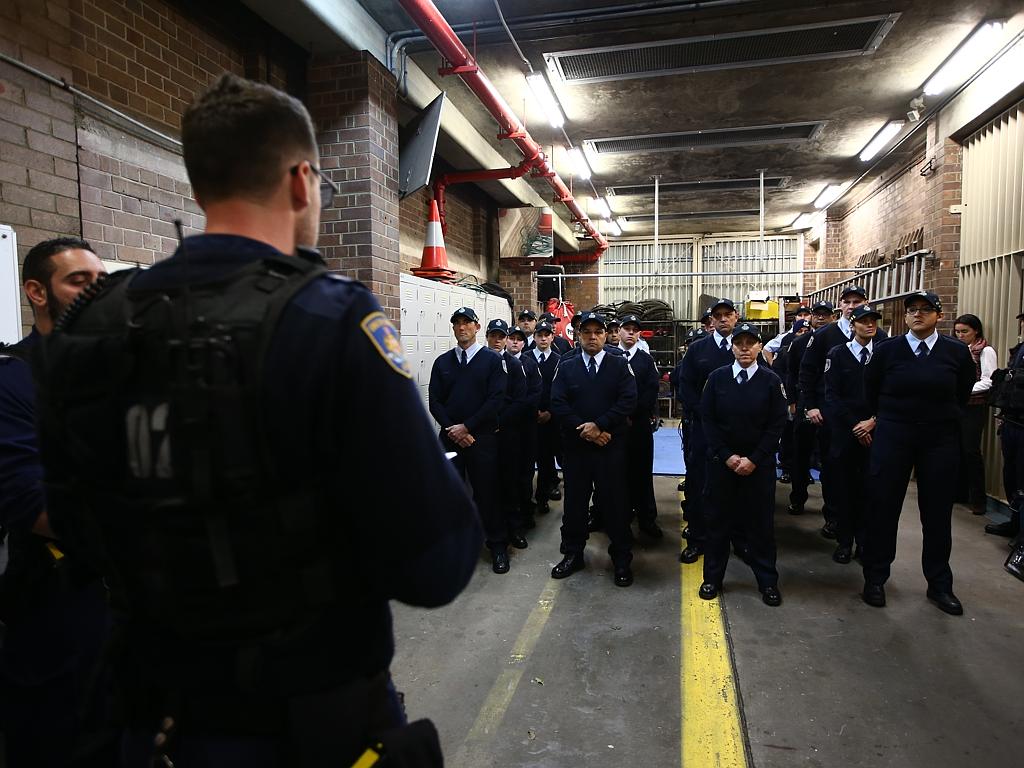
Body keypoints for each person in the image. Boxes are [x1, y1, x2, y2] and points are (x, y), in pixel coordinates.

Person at [36, 74, 482, 766]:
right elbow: (436, 565)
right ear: (302, 180)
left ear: (200, 181)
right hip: (307, 723)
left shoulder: (99, 320)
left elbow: (72, 522)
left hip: (146, 718)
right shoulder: (331, 319)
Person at [0, 237, 115, 767]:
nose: (97, 292)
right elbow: (33, 506)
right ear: (36, 292)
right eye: (78, 281)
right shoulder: (12, 380)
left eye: (101, 281)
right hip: (59, 612)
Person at [861, 291, 975, 615]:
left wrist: (939, 417)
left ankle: (939, 584)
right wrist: (888, 418)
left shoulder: (955, 352)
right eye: (912, 310)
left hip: (939, 438)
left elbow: (963, 391)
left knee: (937, 513)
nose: (917, 315)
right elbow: (871, 389)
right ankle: (875, 579)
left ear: (939, 315)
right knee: (883, 508)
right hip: (894, 434)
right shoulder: (887, 351)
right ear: (906, 316)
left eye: (926, 310)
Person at [697, 323, 787, 606]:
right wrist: (727, 455)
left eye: (751, 343)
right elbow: (707, 420)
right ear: (732, 347)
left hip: (757, 468)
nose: (745, 348)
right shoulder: (717, 378)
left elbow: (776, 425)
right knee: (717, 524)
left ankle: (767, 581)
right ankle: (712, 578)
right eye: (740, 343)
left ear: (760, 347)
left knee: (760, 526)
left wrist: (755, 459)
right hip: (722, 465)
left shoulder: (771, 381)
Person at [549, 312, 638, 586]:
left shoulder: (619, 365)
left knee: (615, 505)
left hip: (610, 446)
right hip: (577, 449)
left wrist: (600, 425)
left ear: (605, 335)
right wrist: (586, 430)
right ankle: (573, 554)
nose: (592, 336)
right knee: (575, 504)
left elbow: (628, 400)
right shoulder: (566, 366)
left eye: (597, 332)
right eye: (586, 332)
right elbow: (558, 403)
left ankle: (621, 559)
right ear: (578, 335)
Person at [797, 286, 889, 538]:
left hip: (872, 423)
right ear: (840, 305)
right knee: (835, 470)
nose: (851, 305)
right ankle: (835, 519)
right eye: (847, 301)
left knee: (870, 476)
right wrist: (810, 404)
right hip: (833, 416)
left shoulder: (881, 339)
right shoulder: (826, 336)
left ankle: (865, 528)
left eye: (856, 301)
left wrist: (874, 419)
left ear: (866, 303)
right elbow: (807, 371)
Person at [433, 308, 507, 570]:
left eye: (467, 323)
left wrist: (468, 427)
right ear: (453, 328)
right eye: (457, 323)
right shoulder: (442, 362)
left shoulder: (492, 361)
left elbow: (495, 400)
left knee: (487, 493)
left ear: (477, 328)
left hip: (481, 438)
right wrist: (454, 429)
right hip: (451, 438)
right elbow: (435, 402)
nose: (462, 327)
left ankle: (497, 545)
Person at [676, 299, 746, 564]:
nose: (723, 319)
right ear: (711, 321)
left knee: (738, 486)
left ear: (736, 316)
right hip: (704, 431)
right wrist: (706, 418)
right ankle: (697, 538)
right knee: (699, 485)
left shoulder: (745, 346)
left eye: (728, 314)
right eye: (718, 316)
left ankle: (738, 538)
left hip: (738, 432)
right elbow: (686, 387)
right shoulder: (697, 350)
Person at [823, 304, 881, 564]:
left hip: (876, 432)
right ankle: (845, 541)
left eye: (873, 321)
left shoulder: (883, 353)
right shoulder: (838, 354)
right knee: (844, 490)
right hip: (845, 433)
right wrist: (855, 425)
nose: (869, 325)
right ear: (853, 324)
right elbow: (832, 395)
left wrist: (873, 421)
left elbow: (889, 393)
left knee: (871, 491)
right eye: (864, 321)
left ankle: (866, 542)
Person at [786, 300, 838, 520]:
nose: (820, 318)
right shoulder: (799, 344)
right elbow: (792, 374)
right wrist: (794, 401)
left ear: (832, 316)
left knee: (831, 460)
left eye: (825, 314)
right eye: (817, 314)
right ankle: (798, 498)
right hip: (805, 406)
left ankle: (832, 511)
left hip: (832, 408)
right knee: (801, 456)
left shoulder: (840, 342)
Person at [484, 318, 529, 568]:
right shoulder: (480, 362)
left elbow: (520, 399)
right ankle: (492, 532)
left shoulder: (513, 364)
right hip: (484, 433)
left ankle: (515, 529)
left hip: (508, 432)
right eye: (494, 335)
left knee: (511, 483)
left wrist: (502, 421)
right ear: (487, 336)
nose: (498, 340)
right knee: (489, 485)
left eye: (502, 336)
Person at [618, 314, 662, 538]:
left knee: (642, 473)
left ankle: (647, 518)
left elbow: (651, 390)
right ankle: (616, 517)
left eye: (635, 330)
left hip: (639, 426)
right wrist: (618, 415)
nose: (631, 333)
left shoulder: (646, 360)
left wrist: (633, 413)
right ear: (618, 331)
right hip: (615, 428)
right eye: (627, 328)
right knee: (615, 474)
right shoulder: (610, 357)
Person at [953, 314, 996, 515]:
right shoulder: (960, 350)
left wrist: (963, 389)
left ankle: (978, 498)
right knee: (957, 448)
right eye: (957, 332)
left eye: (965, 332)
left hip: (974, 406)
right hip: (958, 405)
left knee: (971, 450)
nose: (960, 335)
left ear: (975, 331)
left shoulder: (985, 350)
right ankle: (960, 492)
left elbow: (989, 380)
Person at [990, 311, 1024, 541]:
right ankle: (1015, 523)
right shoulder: (1020, 350)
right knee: (1011, 475)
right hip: (1012, 421)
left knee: (1022, 478)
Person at [507, 324, 543, 533]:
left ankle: (526, 512)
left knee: (525, 471)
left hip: (527, 427)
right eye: (511, 338)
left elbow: (535, 393)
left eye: (519, 339)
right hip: (505, 429)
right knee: (508, 473)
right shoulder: (498, 363)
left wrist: (519, 412)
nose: (514, 342)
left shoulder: (530, 364)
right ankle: (510, 514)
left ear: (523, 343)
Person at [531, 320, 561, 515]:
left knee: (546, 460)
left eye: (546, 335)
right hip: (528, 419)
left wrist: (550, 411)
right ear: (534, 337)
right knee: (526, 461)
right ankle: (525, 502)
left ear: (552, 337)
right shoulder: (525, 359)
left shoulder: (560, 360)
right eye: (539, 335)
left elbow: (560, 390)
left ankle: (542, 498)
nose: (543, 338)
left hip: (551, 419)